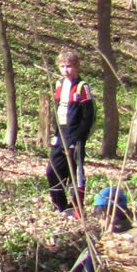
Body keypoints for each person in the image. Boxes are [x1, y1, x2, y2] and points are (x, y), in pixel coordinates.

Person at [48, 48, 95, 215]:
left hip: (75, 136)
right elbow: (57, 110)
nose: (65, 70)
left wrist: (76, 138)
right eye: (62, 66)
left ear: (77, 67)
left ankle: (76, 209)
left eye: (69, 66)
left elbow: (88, 118)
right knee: (52, 170)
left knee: (75, 173)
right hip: (60, 134)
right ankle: (60, 205)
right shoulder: (59, 84)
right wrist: (55, 132)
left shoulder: (83, 87)